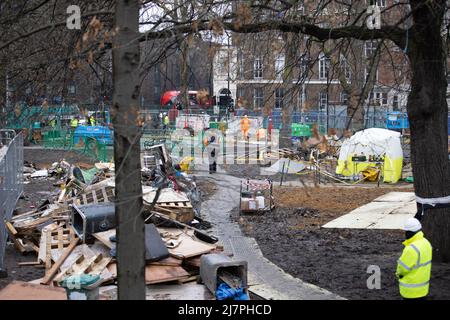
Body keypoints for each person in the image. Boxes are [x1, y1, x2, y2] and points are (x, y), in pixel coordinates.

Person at [396, 217, 432, 300]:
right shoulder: (426, 243)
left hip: (410, 292)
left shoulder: (411, 249)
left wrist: (398, 275)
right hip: (423, 289)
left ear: (409, 232)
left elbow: (402, 269)